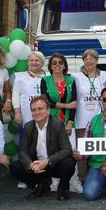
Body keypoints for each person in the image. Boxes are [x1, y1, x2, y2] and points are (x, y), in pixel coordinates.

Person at [9, 96, 76, 201]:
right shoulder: (28, 127)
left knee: (69, 162)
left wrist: (47, 161)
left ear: (48, 110)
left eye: (40, 109)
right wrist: (30, 165)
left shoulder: (57, 124)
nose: (37, 112)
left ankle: (62, 187)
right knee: (15, 166)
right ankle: (41, 184)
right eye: (33, 110)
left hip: (53, 164)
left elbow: (67, 149)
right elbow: (22, 151)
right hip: (36, 165)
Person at [73, 49, 106, 188]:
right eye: (86, 59)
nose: (89, 61)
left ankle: (103, 175)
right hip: (82, 119)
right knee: (83, 149)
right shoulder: (76, 76)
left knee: (102, 147)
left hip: (100, 119)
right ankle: (83, 178)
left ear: (97, 60)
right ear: (83, 61)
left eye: (92, 58)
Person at [40, 53, 78, 192]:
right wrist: (65, 106)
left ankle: (73, 181)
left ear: (64, 65)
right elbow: (46, 101)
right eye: (54, 63)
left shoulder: (71, 80)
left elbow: (74, 103)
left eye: (60, 63)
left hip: (67, 122)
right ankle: (55, 182)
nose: (57, 65)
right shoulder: (45, 80)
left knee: (71, 151)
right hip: (52, 122)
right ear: (50, 66)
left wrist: (70, 122)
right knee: (53, 151)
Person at [12, 51, 47, 127]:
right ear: (28, 62)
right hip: (26, 115)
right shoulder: (20, 77)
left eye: (37, 60)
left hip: (45, 115)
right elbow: (15, 97)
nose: (33, 62)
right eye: (31, 60)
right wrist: (17, 113)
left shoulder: (48, 77)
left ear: (42, 62)